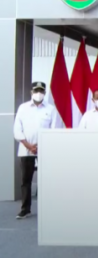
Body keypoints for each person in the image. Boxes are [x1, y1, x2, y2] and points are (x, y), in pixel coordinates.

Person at [13, 82, 58, 219]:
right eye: (36, 90)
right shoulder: (23, 108)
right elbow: (17, 129)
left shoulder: (50, 109)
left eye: (41, 91)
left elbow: (54, 128)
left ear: (44, 93)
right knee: (26, 180)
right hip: (26, 150)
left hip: (45, 149)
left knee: (48, 180)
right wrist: (29, 146)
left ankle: (49, 209)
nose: (39, 93)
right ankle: (25, 209)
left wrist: (39, 145)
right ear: (31, 92)